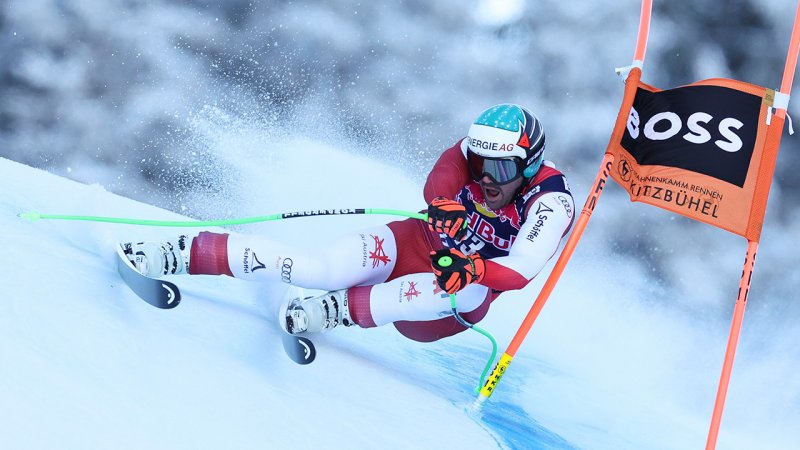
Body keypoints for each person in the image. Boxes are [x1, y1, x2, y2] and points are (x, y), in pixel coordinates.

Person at [125, 104, 575, 343]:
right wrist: (441, 203)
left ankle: (336, 310)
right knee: (318, 269)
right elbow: (440, 178)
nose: (483, 179)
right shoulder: (474, 155)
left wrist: (474, 268)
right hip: (415, 243)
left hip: (451, 298)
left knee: (455, 288)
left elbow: (520, 271)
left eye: (496, 170)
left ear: (528, 165)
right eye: (477, 164)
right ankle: (185, 251)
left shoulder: (550, 202)